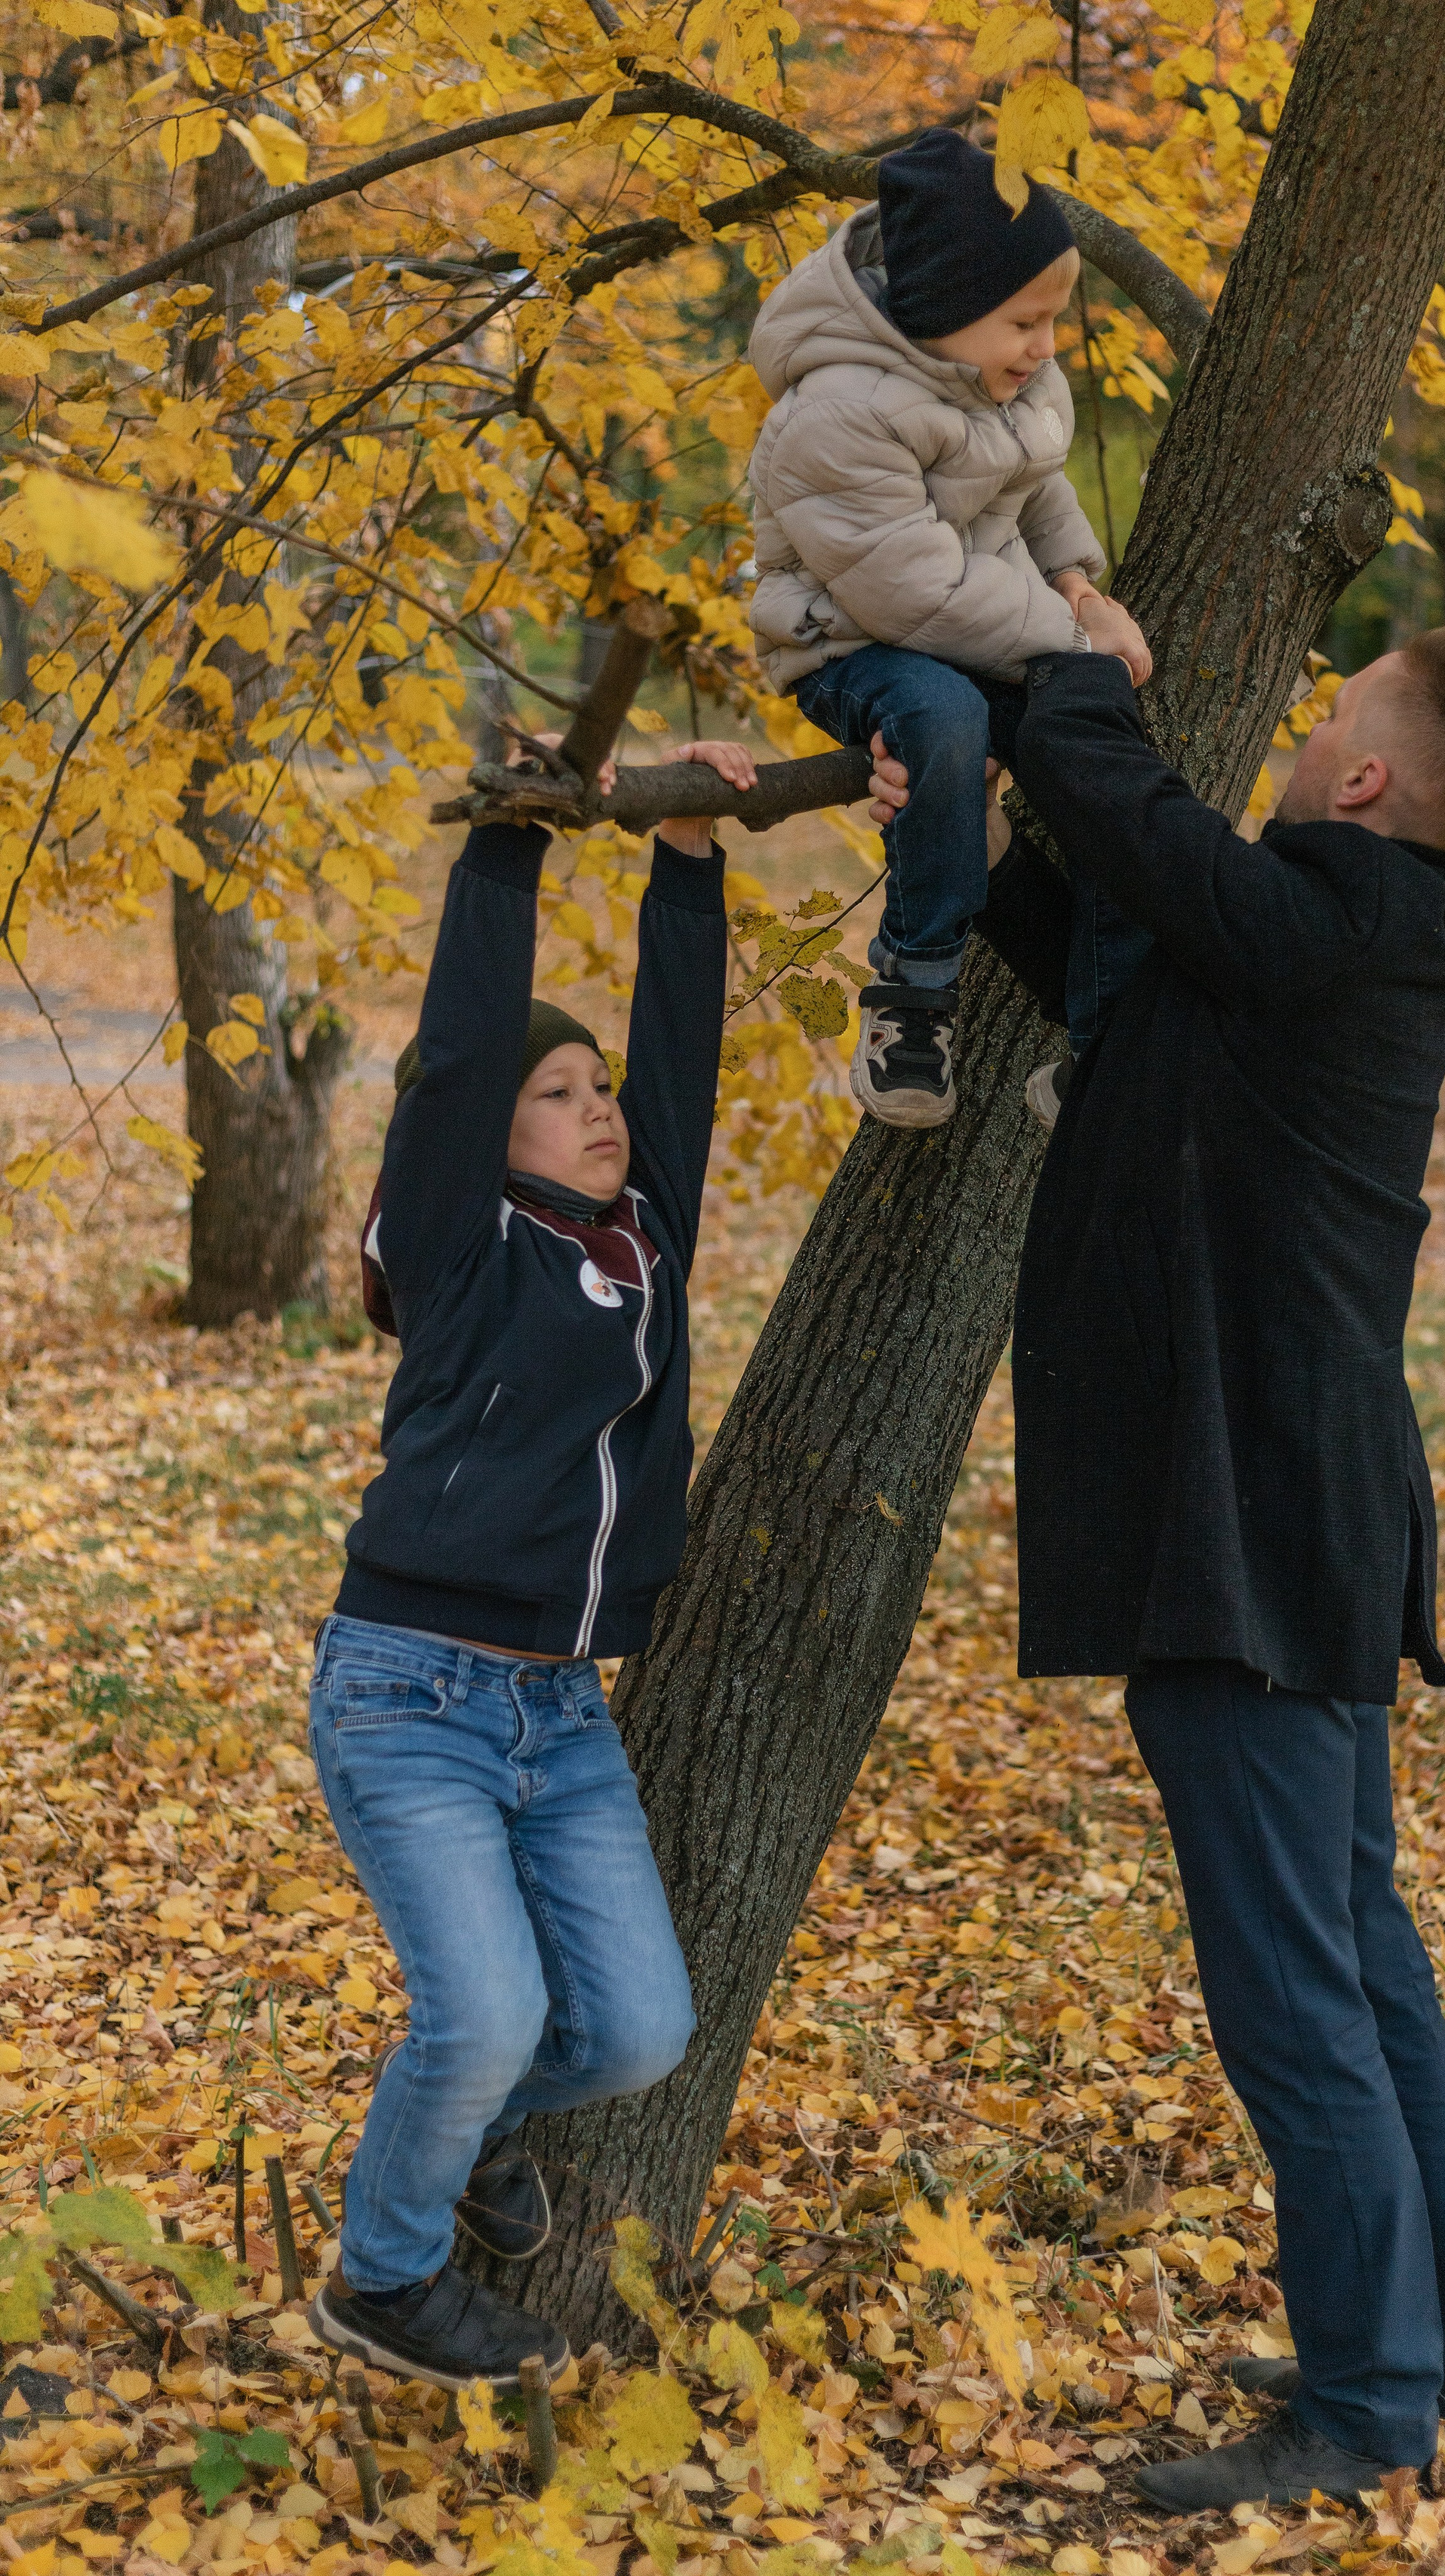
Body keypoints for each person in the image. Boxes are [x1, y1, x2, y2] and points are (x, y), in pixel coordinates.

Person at [869, 626, 1445, 2504]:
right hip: (1300, 1505)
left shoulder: (1325, 923)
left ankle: (1356, 2411)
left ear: (1359, 790)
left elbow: (1151, 837)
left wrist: (1068, 674)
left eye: (1331, 719)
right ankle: (1430, 2355)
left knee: (1296, 1991)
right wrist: (973, 826)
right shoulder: (1331, 933)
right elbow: (1117, 960)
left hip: (1247, 1521)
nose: (1304, 726)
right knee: (1355, 1951)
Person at [304, 734, 755, 2393]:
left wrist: (690, 863)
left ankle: (467, 2132)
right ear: (488, 1141)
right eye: (553, 1096)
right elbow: (453, 1065)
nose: (596, 1116)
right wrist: (506, 854)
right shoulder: (455, 1247)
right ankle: (385, 2272)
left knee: (635, 2034)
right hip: (409, 1696)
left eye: (595, 1094)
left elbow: (679, 1078)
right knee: (483, 2012)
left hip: (562, 1721)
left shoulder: (645, 1249)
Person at [746, 128, 1150, 1130]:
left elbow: (1038, 479)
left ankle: (1105, 1029)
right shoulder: (835, 411)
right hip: (853, 640)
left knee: (1096, 732)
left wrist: (1079, 590)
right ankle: (913, 997)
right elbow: (908, 593)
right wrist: (1063, 632)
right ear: (945, 308)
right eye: (1026, 320)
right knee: (941, 716)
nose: (1047, 345)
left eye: (1055, 319)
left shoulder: (1000, 373)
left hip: (992, 617)